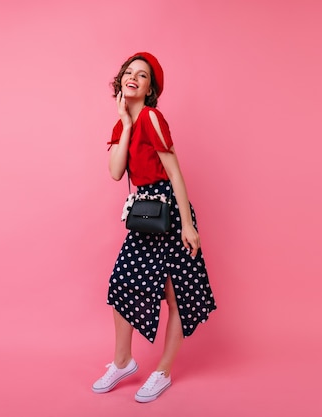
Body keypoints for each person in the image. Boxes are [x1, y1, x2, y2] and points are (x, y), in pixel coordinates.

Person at [92, 52, 217, 403]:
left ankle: (162, 371)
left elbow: (175, 172)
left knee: (178, 295)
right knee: (121, 283)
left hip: (171, 214)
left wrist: (188, 225)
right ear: (121, 82)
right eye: (129, 72)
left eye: (142, 75)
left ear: (150, 89)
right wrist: (125, 122)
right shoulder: (125, 123)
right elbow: (116, 172)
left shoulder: (152, 117)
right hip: (147, 216)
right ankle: (123, 361)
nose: (133, 77)